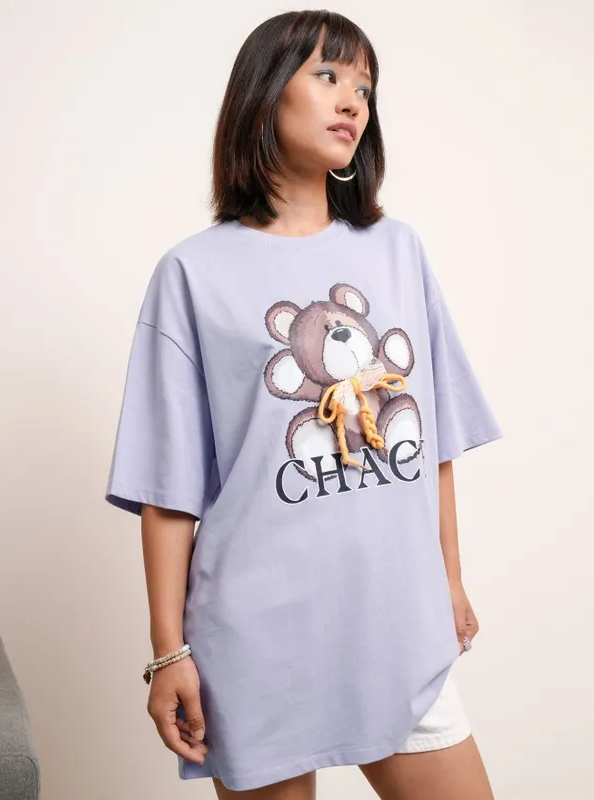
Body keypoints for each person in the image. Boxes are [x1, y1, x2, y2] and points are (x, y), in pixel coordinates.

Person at [105, 10, 503, 800]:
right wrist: (169, 652)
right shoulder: (192, 275)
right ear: (264, 93)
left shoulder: (397, 250)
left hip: (396, 622)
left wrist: (449, 578)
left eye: (365, 87)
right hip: (258, 640)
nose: (353, 100)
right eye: (328, 76)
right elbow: (168, 489)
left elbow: (433, 439)